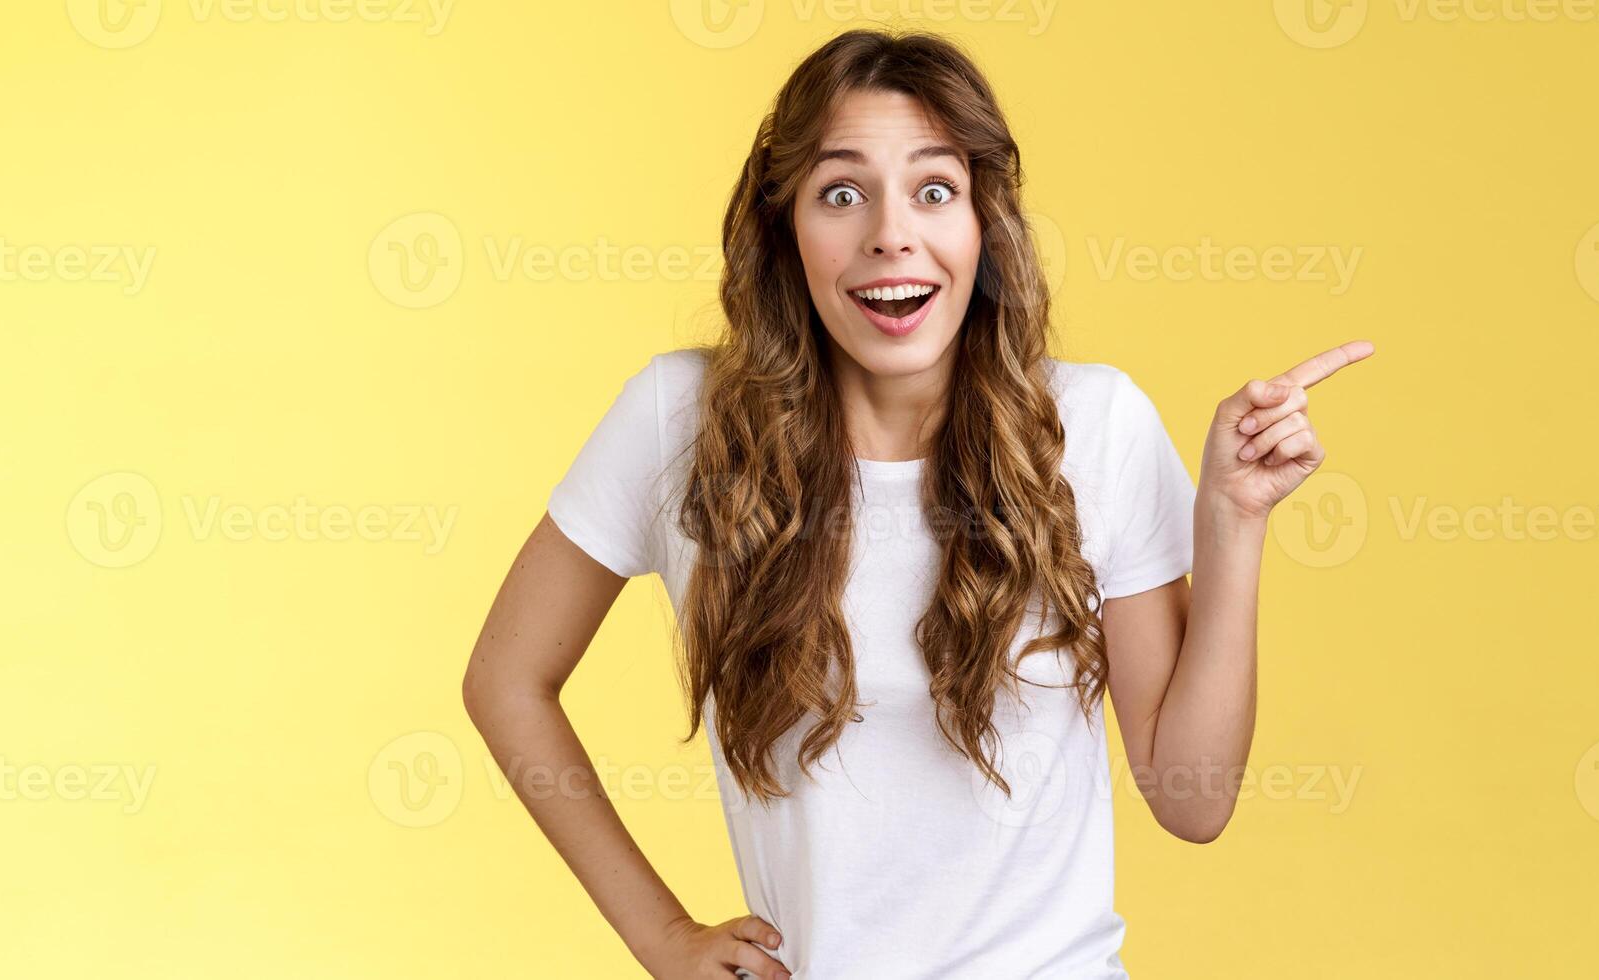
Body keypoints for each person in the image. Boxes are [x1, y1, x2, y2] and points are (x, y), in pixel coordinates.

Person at [462, 29, 1373, 979]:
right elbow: (506, 680)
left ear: (984, 227)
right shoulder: (682, 420)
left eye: (934, 190)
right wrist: (662, 938)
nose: (890, 233)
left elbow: (1194, 801)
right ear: (785, 230)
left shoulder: (1095, 424)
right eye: (842, 193)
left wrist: (1231, 522)